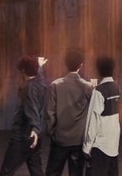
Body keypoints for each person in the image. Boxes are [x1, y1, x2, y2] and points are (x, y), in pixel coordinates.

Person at [46, 47, 93, 176]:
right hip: (78, 140)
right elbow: (92, 113)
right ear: (81, 65)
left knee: (53, 173)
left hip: (59, 139)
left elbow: (50, 113)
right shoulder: (87, 86)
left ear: (65, 63)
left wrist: (52, 132)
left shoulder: (55, 85)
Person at [0, 55, 48, 176]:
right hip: (34, 136)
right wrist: (40, 67)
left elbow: (32, 109)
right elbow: (40, 78)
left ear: (23, 71)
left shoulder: (28, 87)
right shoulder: (40, 84)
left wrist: (35, 128)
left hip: (23, 136)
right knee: (36, 171)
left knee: (6, 172)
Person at [82, 56, 121, 176]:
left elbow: (93, 120)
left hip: (100, 145)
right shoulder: (117, 88)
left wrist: (87, 146)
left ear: (98, 70)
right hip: (113, 143)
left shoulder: (99, 91)